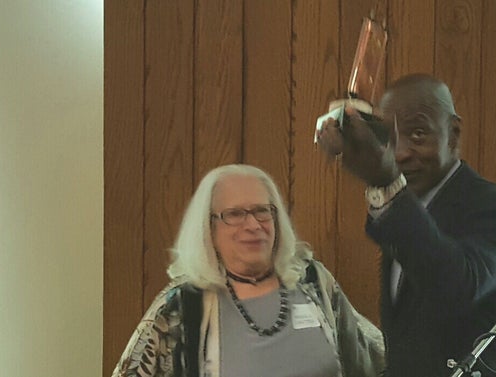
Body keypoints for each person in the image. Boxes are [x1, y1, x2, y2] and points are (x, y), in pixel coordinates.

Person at [112, 164, 384, 377]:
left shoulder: (313, 280)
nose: (253, 224)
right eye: (235, 214)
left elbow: (374, 358)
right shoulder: (181, 305)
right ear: (209, 228)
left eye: (262, 211)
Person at [316, 73, 496, 376]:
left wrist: (386, 183)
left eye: (417, 134)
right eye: (390, 138)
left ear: (453, 133)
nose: (400, 153)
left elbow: (458, 287)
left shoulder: (486, 204)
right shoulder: (409, 209)